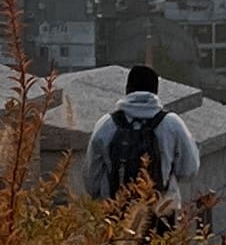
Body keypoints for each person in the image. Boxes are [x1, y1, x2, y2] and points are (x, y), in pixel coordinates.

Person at [82, 63, 202, 225]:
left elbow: (91, 181)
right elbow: (189, 169)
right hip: (162, 216)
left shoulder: (106, 125)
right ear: (156, 91)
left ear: (127, 89)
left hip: (117, 216)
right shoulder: (171, 124)